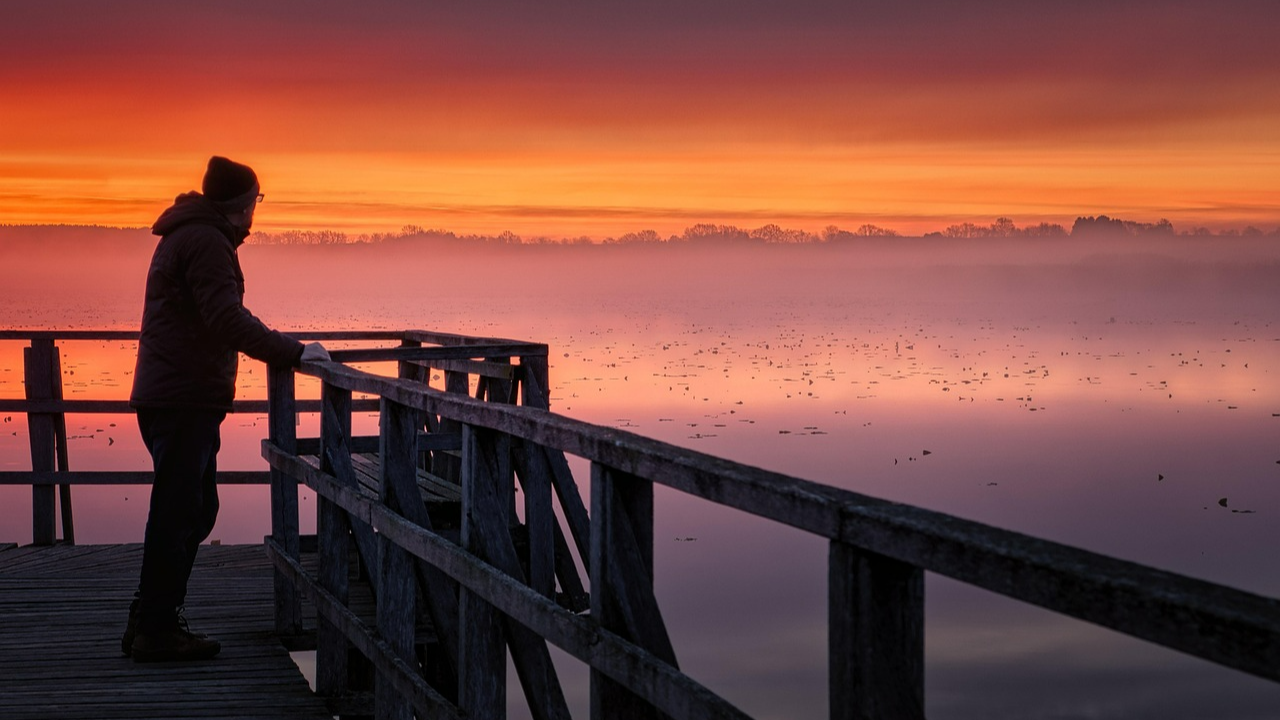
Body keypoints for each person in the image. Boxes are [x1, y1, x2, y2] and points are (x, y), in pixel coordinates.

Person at [122, 156, 330, 662]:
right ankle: (155, 628)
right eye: (256, 202)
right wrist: (294, 351)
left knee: (192, 507)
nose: (256, 214)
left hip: (177, 394)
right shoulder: (207, 242)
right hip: (183, 397)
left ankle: (149, 619)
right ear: (241, 206)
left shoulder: (191, 236)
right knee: (181, 509)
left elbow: (216, 315)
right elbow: (225, 319)